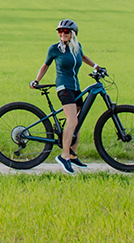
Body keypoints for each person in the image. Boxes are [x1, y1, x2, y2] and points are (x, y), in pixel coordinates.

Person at [31, 19, 104, 174]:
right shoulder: (55, 49)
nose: (62, 34)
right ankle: (64, 156)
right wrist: (37, 80)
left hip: (76, 87)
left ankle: (72, 154)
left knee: (79, 119)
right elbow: (45, 65)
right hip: (64, 87)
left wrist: (96, 66)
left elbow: (83, 57)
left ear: (73, 34)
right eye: (60, 31)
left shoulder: (77, 47)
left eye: (66, 32)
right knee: (72, 120)